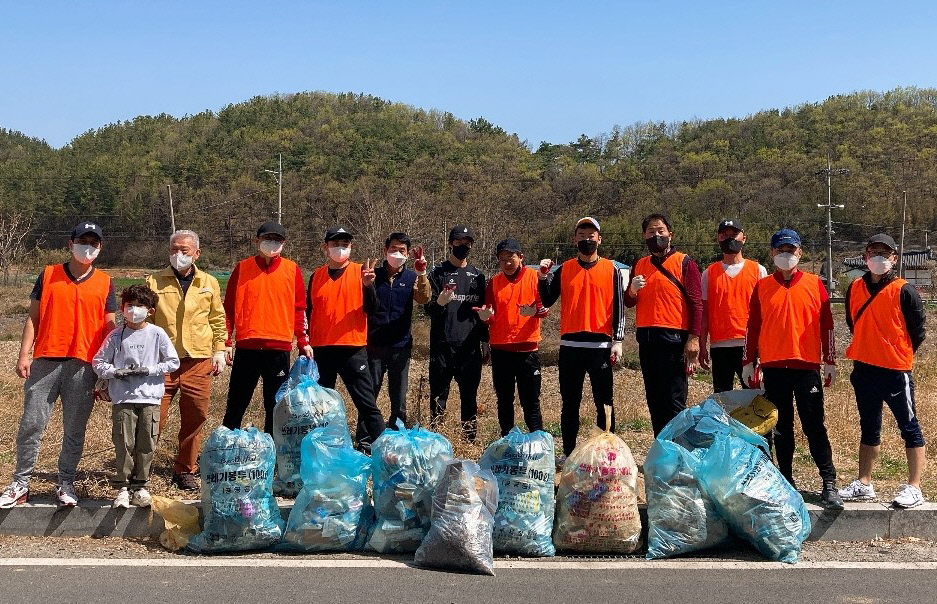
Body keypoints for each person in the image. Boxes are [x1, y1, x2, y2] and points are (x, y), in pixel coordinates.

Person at [0, 221, 117, 508]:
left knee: (75, 429)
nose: (87, 247)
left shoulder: (105, 282)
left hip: (83, 365)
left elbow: (109, 327)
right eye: (82, 240)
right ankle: (21, 483)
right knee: (31, 424)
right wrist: (24, 354)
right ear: (70, 243)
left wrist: (107, 370)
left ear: (100, 247)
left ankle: (65, 482)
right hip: (45, 361)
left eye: (94, 242)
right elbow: (33, 317)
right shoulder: (49, 274)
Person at [743, 228, 842, 509]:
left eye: (791, 250)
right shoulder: (762, 287)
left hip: (806, 365)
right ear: (772, 253)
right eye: (780, 250)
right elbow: (753, 326)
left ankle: (829, 482)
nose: (786, 255)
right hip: (774, 367)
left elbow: (827, 325)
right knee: (780, 429)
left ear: (800, 253)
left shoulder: (814, 284)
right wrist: (748, 360)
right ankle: (785, 481)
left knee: (814, 426)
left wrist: (830, 360)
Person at [839, 234, 927, 508]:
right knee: (869, 427)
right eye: (874, 251)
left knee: (909, 427)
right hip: (864, 367)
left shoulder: (904, 290)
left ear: (894, 258)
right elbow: (853, 323)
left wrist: (895, 350)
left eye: (885, 253)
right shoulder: (854, 288)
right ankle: (864, 482)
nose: (879, 257)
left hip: (895, 369)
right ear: (865, 256)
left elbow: (918, 331)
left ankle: (915, 487)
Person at [146, 229, 227, 491]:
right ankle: (142, 468)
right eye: (174, 250)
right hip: (162, 362)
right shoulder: (154, 282)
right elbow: (145, 321)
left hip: (198, 360)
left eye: (185, 251)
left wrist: (219, 349)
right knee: (153, 416)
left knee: (196, 416)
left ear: (197, 254)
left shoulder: (209, 283)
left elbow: (216, 319)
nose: (178, 255)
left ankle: (186, 468)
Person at [538, 217, 625, 456]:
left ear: (599, 238)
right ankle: (569, 454)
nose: (587, 239)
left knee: (604, 403)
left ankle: (606, 455)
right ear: (574, 239)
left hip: (601, 346)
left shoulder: (612, 269)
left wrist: (618, 341)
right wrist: (543, 276)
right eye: (582, 235)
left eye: (591, 235)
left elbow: (619, 306)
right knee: (570, 404)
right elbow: (546, 300)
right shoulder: (565, 268)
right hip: (571, 346)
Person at [93, 285, 180, 508]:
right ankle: (122, 487)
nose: (134, 311)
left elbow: (173, 361)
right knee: (123, 441)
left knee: (146, 442)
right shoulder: (116, 336)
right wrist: (115, 372)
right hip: (123, 397)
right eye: (129, 306)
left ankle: (140, 485)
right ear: (122, 309)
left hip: (150, 396)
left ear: (150, 310)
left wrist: (150, 370)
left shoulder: (157, 334)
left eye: (139, 306)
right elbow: (99, 362)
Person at [221, 221, 311, 434]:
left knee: (275, 405)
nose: (272, 243)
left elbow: (300, 309)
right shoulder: (242, 268)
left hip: (278, 348)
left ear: (284, 243)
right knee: (236, 402)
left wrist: (303, 341)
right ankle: (225, 446)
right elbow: (229, 309)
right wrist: (226, 341)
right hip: (247, 347)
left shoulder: (292, 270)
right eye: (267, 239)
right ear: (257, 241)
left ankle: (272, 451)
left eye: (277, 240)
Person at [307, 226, 387, 451]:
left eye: (345, 244)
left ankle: (385, 451)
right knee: (321, 406)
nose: (340, 248)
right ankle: (322, 450)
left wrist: (369, 286)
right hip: (322, 349)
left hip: (352, 348)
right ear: (325, 247)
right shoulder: (316, 276)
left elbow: (373, 309)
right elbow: (309, 311)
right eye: (335, 244)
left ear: (351, 247)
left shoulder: (361, 272)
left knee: (367, 404)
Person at [624, 213, 702, 436]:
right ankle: (662, 451)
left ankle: (679, 452)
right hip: (647, 340)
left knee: (674, 401)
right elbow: (629, 301)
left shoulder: (684, 262)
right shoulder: (639, 264)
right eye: (650, 232)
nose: (656, 235)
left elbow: (696, 303)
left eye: (660, 231)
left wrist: (694, 338)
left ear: (670, 234)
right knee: (654, 399)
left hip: (674, 339)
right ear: (644, 236)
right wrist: (632, 290)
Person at [359, 232, 431, 435]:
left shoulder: (411, 277)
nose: (397, 253)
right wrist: (367, 283)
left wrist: (422, 274)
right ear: (385, 251)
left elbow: (424, 298)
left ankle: (397, 434)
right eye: (393, 249)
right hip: (374, 344)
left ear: (408, 255)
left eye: (402, 251)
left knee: (398, 396)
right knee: (369, 393)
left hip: (401, 345)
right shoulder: (374, 274)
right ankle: (365, 437)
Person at [425, 225, 488, 442]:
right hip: (442, 345)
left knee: (469, 398)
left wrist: (485, 342)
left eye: (467, 242)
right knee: (438, 397)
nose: (463, 246)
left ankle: (468, 442)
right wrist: (440, 303)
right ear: (450, 243)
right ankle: (436, 442)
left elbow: (483, 313)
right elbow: (429, 309)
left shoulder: (478, 277)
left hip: (469, 348)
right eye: (459, 242)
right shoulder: (437, 273)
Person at [483, 239, 548, 436]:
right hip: (501, 349)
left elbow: (544, 308)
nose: (507, 263)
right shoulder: (494, 282)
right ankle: (507, 441)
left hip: (527, 349)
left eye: (510, 258)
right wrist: (486, 317)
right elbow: (490, 313)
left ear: (520, 257)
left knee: (531, 400)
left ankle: (538, 440)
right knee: (504, 399)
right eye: (502, 260)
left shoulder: (534, 277)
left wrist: (534, 312)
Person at [699, 219, 767, 392]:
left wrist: (763, 348)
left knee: (755, 397)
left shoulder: (758, 270)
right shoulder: (708, 273)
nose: (729, 239)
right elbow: (704, 314)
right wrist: (702, 347)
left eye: (734, 234)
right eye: (724, 235)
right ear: (718, 239)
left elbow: (765, 313)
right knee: (722, 399)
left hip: (749, 345)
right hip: (719, 346)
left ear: (744, 238)